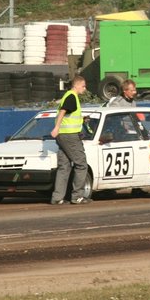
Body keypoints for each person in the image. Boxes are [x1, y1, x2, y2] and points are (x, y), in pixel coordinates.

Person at [50, 75, 91, 205]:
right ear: (76, 85)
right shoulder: (72, 97)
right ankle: (77, 196)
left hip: (63, 136)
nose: (85, 89)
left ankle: (57, 198)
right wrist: (56, 127)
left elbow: (68, 114)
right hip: (70, 136)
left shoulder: (68, 96)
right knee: (81, 164)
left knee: (64, 166)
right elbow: (63, 111)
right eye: (83, 86)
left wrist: (82, 119)